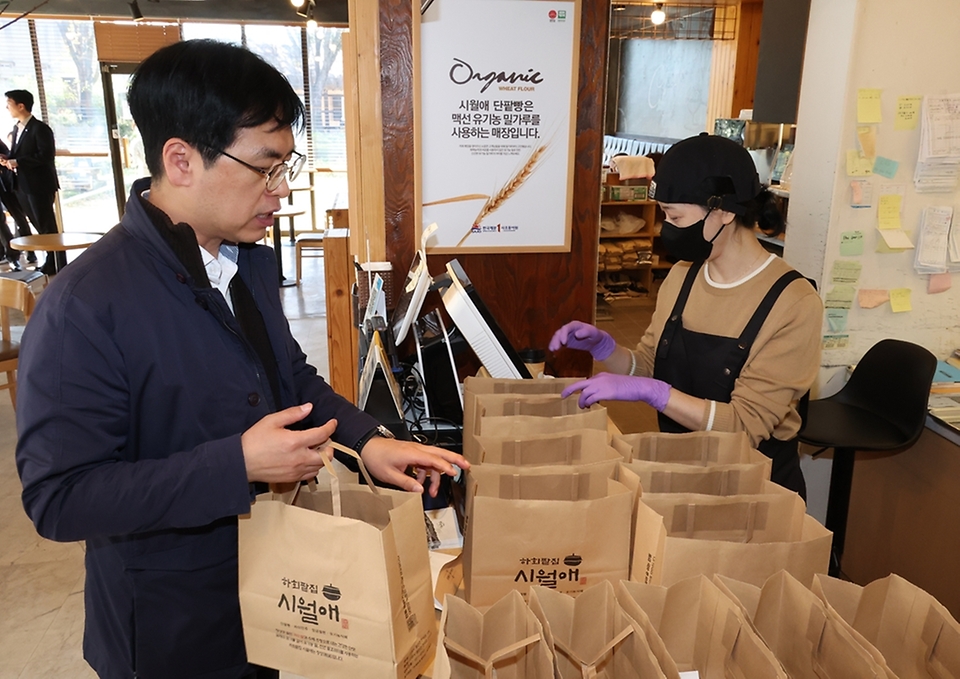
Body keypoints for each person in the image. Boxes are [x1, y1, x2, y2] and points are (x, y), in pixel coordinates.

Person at [15, 40, 469, 679]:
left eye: (286, 166)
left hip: (272, 593)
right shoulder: (85, 305)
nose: (281, 191)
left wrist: (367, 441)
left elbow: (290, 375)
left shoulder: (247, 260)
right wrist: (236, 464)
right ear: (181, 160)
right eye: (263, 167)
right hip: (173, 627)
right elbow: (60, 498)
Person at [551, 133, 821, 497]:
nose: (666, 227)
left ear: (725, 211)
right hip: (685, 474)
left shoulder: (793, 302)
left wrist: (656, 394)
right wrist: (606, 349)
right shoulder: (682, 276)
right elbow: (649, 367)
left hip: (756, 491)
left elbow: (744, 428)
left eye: (674, 216)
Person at [2, 89, 65, 274]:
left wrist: (18, 161)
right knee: (37, 224)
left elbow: (46, 155)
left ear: (21, 106)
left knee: (46, 225)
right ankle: (50, 260)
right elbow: (19, 153)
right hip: (22, 184)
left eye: (9, 104)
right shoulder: (17, 128)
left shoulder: (40, 128)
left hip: (39, 184)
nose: (7, 107)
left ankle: (58, 262)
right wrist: (8, 159)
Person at [0, 138, 36, 270]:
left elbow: (6, 153)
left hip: (5, 182)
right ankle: (11, 255)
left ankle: (29, 251)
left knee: (19, 217)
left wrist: (4, 158)